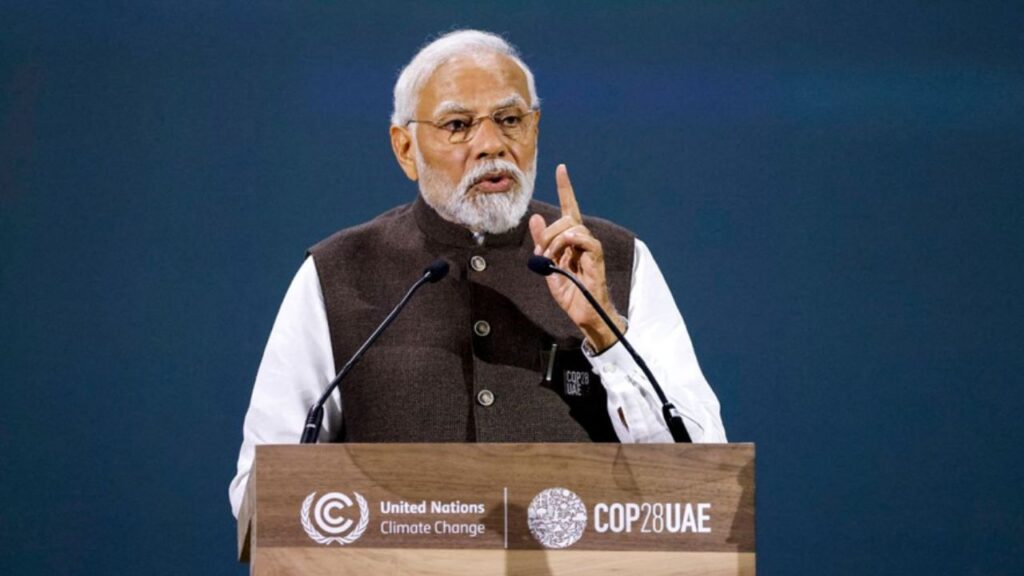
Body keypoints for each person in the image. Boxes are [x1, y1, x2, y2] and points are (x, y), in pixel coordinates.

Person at [229, 30, 726, 518]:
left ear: (534, 128)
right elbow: (261, 487)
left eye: (509, 119)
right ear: (405, 149)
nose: (491, 144)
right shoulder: (338, 272)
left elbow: (700, 472)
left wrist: (605, 330)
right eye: (458, 125)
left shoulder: (613, 259)